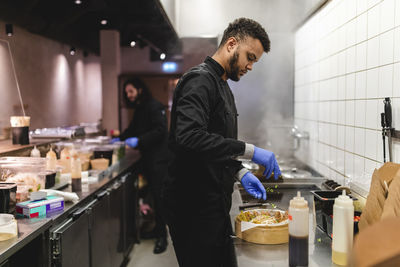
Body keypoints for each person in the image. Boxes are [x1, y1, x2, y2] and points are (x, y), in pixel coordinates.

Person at [163, 18, 281, 266]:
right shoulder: (199, 81)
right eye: (249, 57)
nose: (250, 66)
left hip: (213, 206)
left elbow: (211, 147)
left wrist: (239, 171)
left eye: (254, 61)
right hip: (193, 209)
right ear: (231, 44)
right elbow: (189, 137)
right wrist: (250, 151)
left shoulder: (223, 86)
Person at [112, 78, 169, 254]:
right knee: (153, 196)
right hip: (148, 159)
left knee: (160, 200)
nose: (128, 95)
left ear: (139, 90)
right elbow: (132, 130)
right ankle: (155, 230)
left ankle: (163, 237)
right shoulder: (140, 107)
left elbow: (161, 131)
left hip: (160, 160)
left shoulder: (154, 106)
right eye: (126, 93)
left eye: (131, 91)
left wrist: (139, 140)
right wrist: (118, 139)